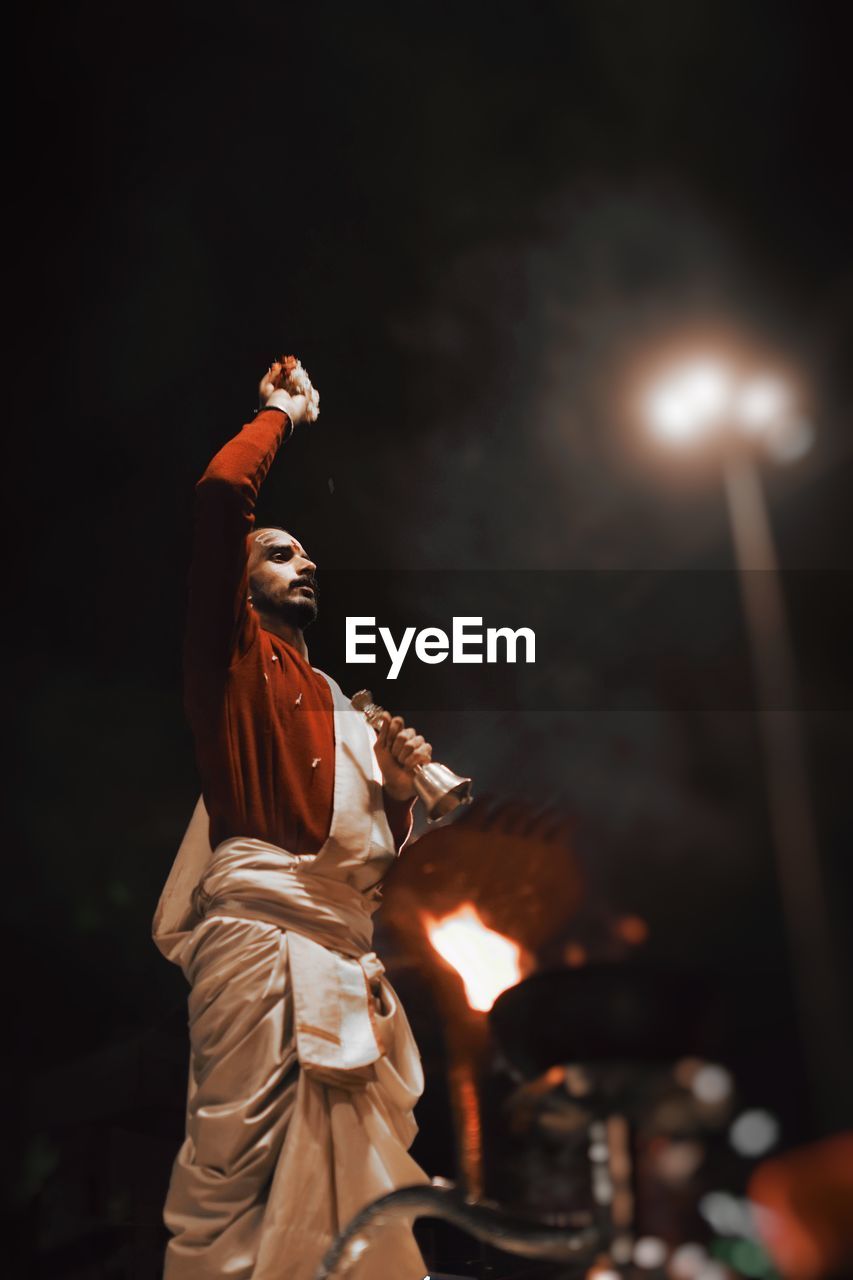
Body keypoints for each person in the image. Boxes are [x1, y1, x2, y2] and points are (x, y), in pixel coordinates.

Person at [153, 358, 431, 1280]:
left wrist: (396, 788)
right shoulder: (231, 665)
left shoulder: (335, 702)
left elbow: (361, 859)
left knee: (363, 1225)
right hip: (261, 951)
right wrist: (280, 414)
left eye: (306, 553)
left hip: (343, 956)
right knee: (233, 1213)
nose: (303, 559)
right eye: (277, 551)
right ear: (235, 581)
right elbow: (223, 491)